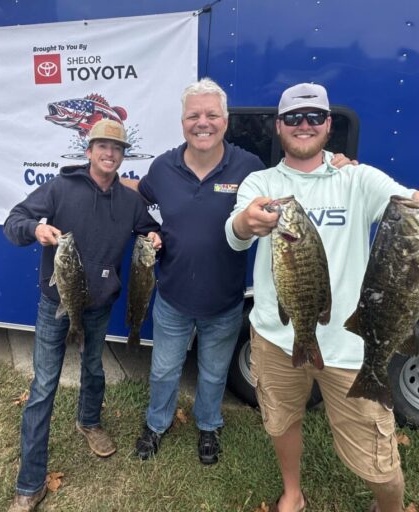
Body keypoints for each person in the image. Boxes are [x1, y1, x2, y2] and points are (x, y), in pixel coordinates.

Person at [225, 83, 419, 512]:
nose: (304, 125)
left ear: (329, 125)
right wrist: (245, 224)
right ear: (279, 127)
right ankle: (293, 493)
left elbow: (409, 204)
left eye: (314, 117)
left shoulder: (359, 178)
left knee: (377, 454)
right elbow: (235, 233)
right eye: (293, 118)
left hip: (351, 346)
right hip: (276, 336)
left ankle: (389, 507)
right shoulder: (262, 182)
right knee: (281, 420)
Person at [122, 78, 354, 465]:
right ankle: (156, 424)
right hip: (172, 298)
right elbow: (141, 195)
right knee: (163, 371)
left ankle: (209, 426)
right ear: (182, 122)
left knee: (213, 376)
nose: (203, 122)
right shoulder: (162, 167)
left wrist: (338, 165)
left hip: (226, 301)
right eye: (194, 115)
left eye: (212, 114)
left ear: (225, 121)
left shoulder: (249, 167)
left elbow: (298, 185)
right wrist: (101, 179)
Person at [3, 119, 161, 512]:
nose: (109, 153)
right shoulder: (60, 188)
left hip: (99, 306)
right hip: (55, 306)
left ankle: (89, 421)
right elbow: (14, 222)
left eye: (117, 148)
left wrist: (157, 236)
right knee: (43, 387)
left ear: (123, 155)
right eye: (102, 146)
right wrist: (35, 229)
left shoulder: (130, 201)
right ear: (89, 151)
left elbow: (150, 229)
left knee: (94, 368)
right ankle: (30, 482)